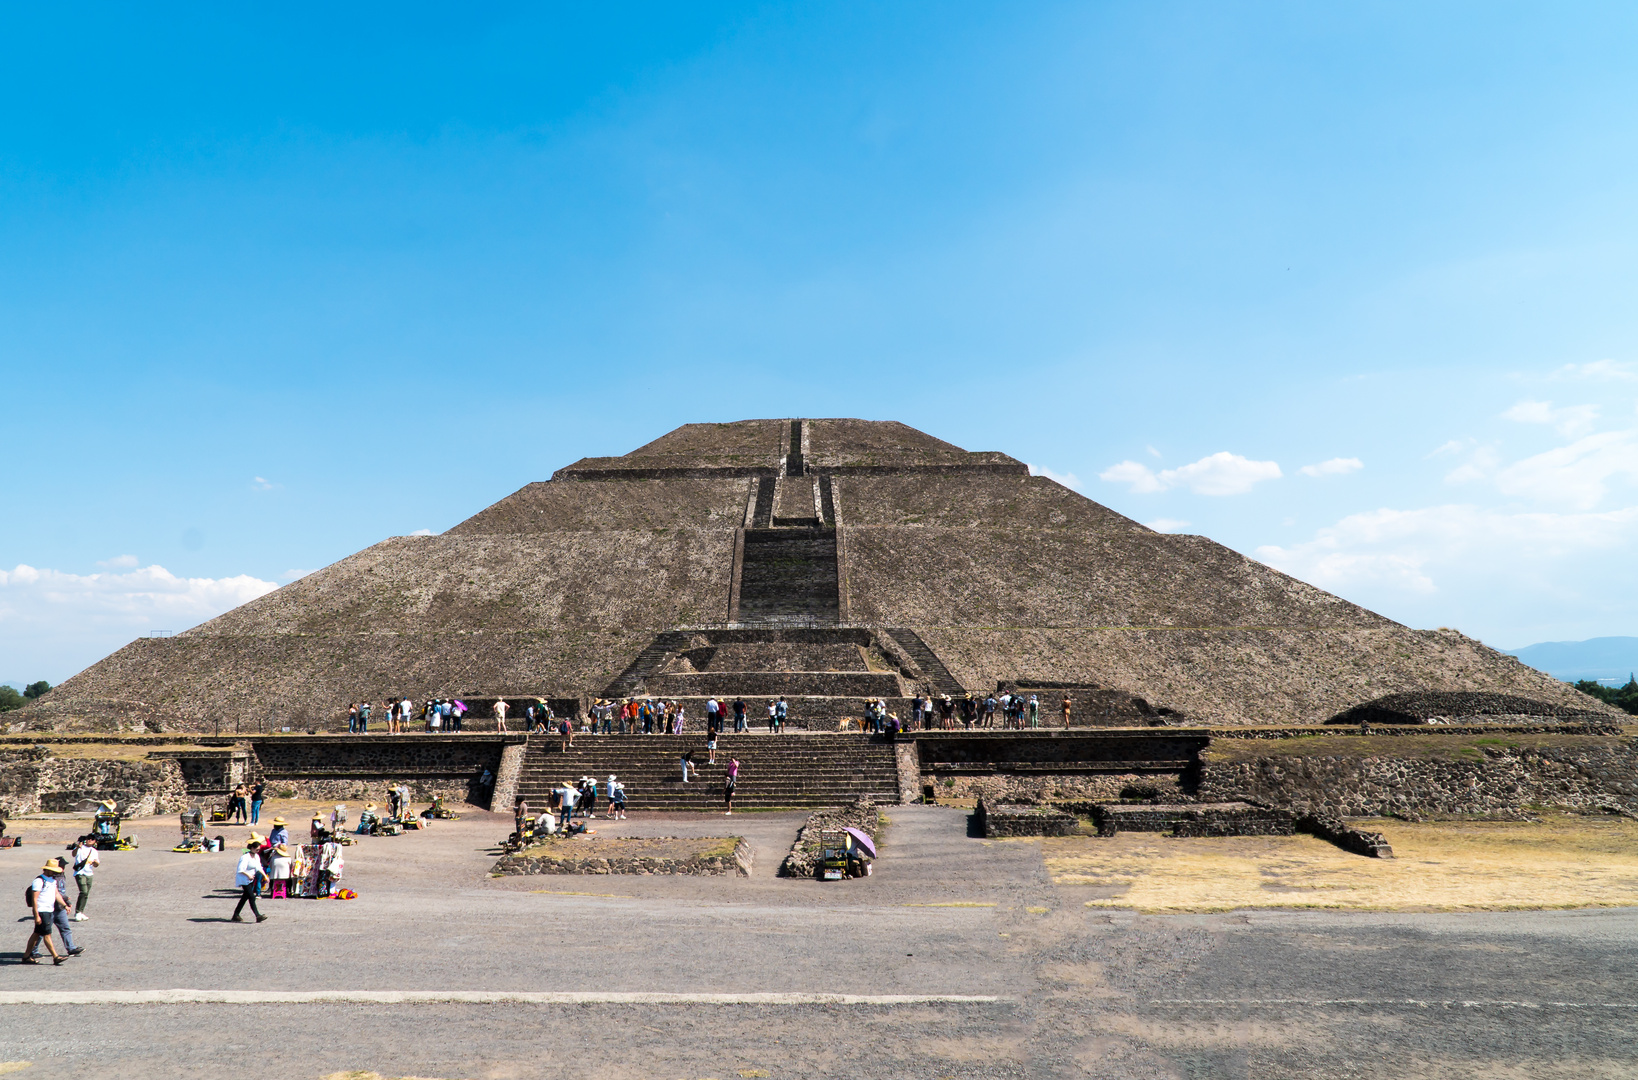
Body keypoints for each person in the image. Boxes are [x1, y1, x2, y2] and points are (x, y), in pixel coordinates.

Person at [23, 858, 68, 964]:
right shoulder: (39, 881)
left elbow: (56, 894)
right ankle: (56, 956)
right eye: (53, 871)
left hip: (49, 910)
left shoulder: (53, 880)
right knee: (47, 934)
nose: (55, 873)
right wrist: (36, 915)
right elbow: (35, 899)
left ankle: (26, 956)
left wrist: (65, 905)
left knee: (36, 934)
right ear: (47, 870)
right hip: (42, 911)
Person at [232, 837, 269, 922]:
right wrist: (248, 875)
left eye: (259, 849)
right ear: (251, 848)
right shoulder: (245, 857)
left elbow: (258, 867)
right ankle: (258, 916)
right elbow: (240, 870)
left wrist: (265, 876)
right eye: (256, 849)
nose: (258, 851)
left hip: (251, 879)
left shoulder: (256, 856)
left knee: (244, 898)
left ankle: (236, 915)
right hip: (244, 879)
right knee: (252, 897)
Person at [71, 835, 99, 920]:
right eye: (88, 838)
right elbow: (73, 854)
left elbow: (97, 864)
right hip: (80, 872)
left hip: (89, 873)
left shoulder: (94, 851)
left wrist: (95, 863)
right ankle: (78, 912)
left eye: (92, 839)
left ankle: (81, 912)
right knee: (83, 891)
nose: (90, 840)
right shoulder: (80, 848)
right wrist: (77, 847)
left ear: (94, 841)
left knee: (86, 894)